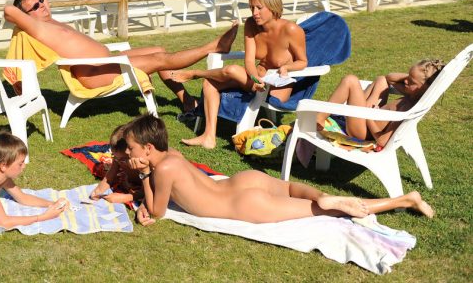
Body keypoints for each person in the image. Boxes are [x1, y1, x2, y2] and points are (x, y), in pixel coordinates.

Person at [127, 114, 434, 226]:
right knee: (295, 191)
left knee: (327, 212)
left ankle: (403, 200)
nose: (129, 154)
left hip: (241, 204)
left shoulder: (161, 170)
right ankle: (323, 194)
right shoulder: (174, 155)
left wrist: (143, 178)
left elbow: (157, 212)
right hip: (240, 183)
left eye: (132, 149)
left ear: (148, 149)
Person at [3, 0, 239, 113]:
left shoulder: (45, 18)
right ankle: (213, 47)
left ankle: (187, 101)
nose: (42, 5)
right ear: (26, 17)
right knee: (160, 59)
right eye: (35, 6)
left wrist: (33, 0)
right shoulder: (37, 28)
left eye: (41, 2)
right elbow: (9, 10)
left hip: (105, 60)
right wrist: (23, 13)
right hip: (94, 73)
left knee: (157, 48)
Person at [172, 0, 307, 149]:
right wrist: (254, 78)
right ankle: (209, 136)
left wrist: (288, 68)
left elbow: (303, 62)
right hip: (254, 80)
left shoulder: (291, 29)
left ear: (273, 6)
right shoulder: (251, 24)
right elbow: (249, 62)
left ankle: (196, 72)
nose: (254, 13)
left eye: (259, 8)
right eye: (251, 7)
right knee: (210, 83)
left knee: (231, 70)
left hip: (276, 88)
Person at [316, 59, 445, 148]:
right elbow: (389, 78)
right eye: (407, 77)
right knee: (381, 80)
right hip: (368, 119)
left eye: (411, 82)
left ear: (424, 89)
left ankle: (319, 119)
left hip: (363, 132)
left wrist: (370, 117)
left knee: (350, 80)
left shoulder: (408, 107)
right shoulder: (412, 94)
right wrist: (413, 78)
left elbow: (382, 141)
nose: (405, 81)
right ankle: (338, 112)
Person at [89, 123, 143, 204]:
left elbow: (151, 190)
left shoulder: (143, 163)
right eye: (114, 155)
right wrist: (99, 190)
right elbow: (110, 175)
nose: (118, 160)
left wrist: (126, 197)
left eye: (123, 159)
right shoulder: (118, 159)